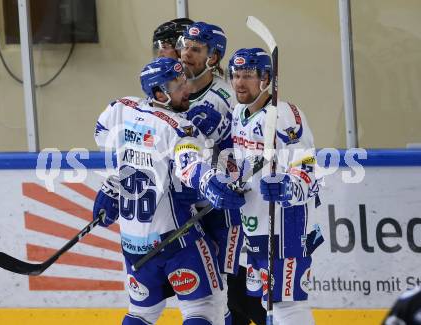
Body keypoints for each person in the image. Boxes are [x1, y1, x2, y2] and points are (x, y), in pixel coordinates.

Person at [93, 56, 246, 325]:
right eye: (178, 85)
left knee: (141, 313)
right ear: (158, 93)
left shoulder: (121, 108)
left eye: (184, 81)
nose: (186, 89)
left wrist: (113, 185)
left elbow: (104, 137)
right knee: (206, 308)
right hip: (175, 242)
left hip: (132, 245)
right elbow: (190, 166)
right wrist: (212, 184)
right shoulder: (178, 128)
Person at [228, 48, 324, 325]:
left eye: (247, 75)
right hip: (256, 221)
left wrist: (289, 186)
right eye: (235, 75)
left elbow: (307, 165)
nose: (239, 82)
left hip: (288, 222)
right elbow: (241, 163)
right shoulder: (238, 113)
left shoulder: (285, 115)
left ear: (266, 78)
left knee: (286, 304)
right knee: (267, 301)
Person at [176, 22, 243, 325]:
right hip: (189, 204)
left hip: (221, 208)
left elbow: (242, 153)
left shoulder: (225, 97)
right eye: (185, 46)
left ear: (213, 58)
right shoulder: (173, 89)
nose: (186, 54)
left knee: (225, 292)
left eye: (196, 49)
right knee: (206, 291)